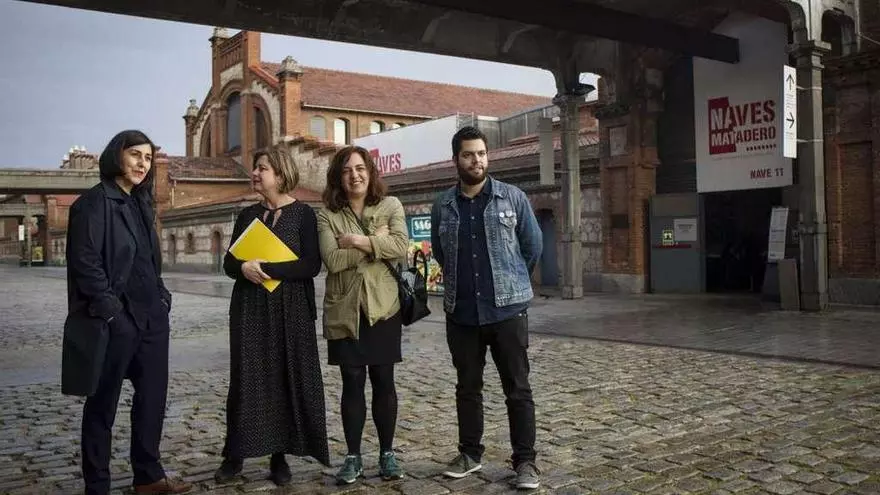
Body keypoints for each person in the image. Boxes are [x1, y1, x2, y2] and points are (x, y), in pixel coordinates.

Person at [65, 130, 192, 494]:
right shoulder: (93, 203)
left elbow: (149, 261)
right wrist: (112, 314)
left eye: (148, 158)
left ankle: (148, 477)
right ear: (116, 155)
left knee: (152, 400)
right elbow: (86, 263)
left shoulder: (141, 203)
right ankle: (97, 485)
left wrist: (162, 296)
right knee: (102, 406)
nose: (142, 163)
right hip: (116, 322)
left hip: (152, 318)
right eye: (135, 154)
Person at [430, 126, 543, 490]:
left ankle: (525, 462)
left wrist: (510, 283)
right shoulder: (443, 205)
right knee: (467, 388)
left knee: (518, 389)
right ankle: (469, 454)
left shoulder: (513, 198)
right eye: (468, 155)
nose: (476, 160)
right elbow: (441, 253)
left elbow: (532, 247)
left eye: (480, 154)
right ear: (456, 160)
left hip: (507, 312)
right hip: (461, 314)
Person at [213, 147, 330, 486]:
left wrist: (266, 268)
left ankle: (279, 456)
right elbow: (229, 262)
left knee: (283, 378)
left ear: (280, 174)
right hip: (250, 309)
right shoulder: (247, 215)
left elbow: (311, 265)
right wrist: (243, 268)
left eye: (261, 168)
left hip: (291, 310)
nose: (255, 173)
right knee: (246, 380)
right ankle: (234, 455)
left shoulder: (304, 215)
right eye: (255, 168)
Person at [317, 146, 409, 485]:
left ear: (370, 172)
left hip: (383, 307)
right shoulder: (326, 214)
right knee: (352, 382)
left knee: (384, 380)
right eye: (346, 170)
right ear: (337, 177)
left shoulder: (390, 205)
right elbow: (332, 260)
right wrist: (374, 243)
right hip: (345, 310)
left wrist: (355, 241)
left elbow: (400, 246)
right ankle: (353, 456)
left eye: (360, 168)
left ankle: (387, 454)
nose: (354, 175)